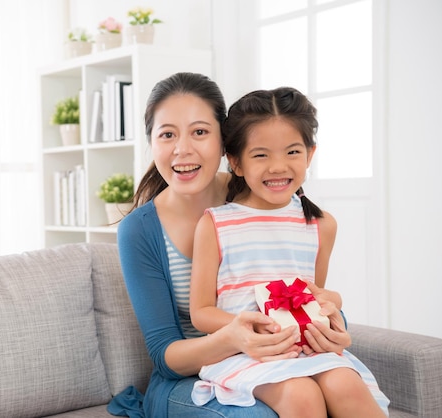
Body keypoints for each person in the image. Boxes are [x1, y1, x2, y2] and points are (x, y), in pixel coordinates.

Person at [108, 72, 350, 418]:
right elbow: (165, 356)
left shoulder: (265, 193)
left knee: (336, 390)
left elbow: (301, 296)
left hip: (273, 362)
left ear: (226, 144)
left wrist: (336, 319)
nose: (183, 149)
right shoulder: (140, 231)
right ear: (151, 142)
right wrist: (233, 339)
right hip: (190, 379)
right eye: (167, 134)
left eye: (200, 132)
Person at [188, 87, 390, 417]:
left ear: (310, 154)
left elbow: (314, 297)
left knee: (346, 385)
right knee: (301, 395)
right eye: (261, 155)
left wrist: (332, 303)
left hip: (307, 350)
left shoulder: (322, 225)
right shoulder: (215, 225)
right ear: (236, 162)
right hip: (245, 353)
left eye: (292, 152)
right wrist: (251, 329)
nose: (278, 166)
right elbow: (201, 313)